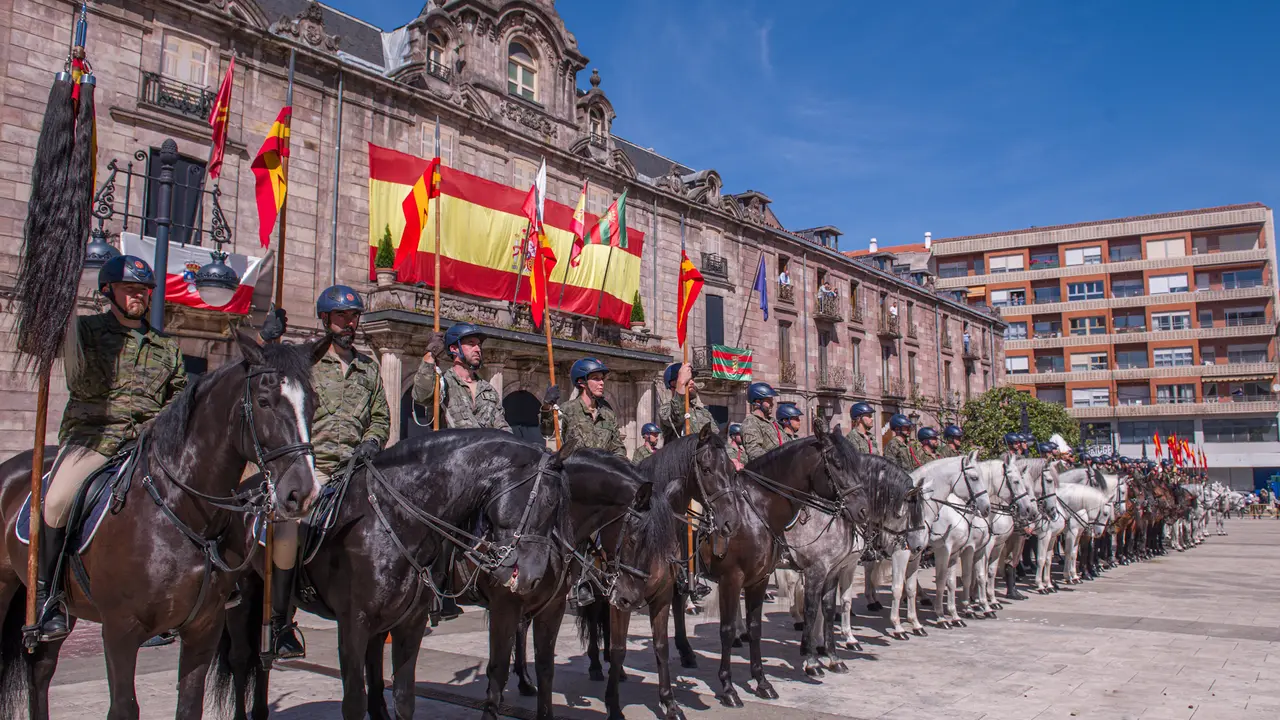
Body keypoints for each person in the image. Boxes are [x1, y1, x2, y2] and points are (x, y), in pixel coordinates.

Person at [34, 256, 187, 642]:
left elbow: (179, 399)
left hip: (148, 448)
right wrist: (51, 298)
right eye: (129, 289)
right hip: (94, 441)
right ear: (108, 291)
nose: (138, 296)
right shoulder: (84, 331)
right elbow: (35, 343)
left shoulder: (166, 347)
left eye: (144, 290)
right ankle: (48, 597)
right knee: (57, 502)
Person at [260, 285, 390, 658]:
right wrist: (269, 343)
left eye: (353, 317)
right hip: (313, 468)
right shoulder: (306, 361)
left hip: (358, 468)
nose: (349, 324)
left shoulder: (369, 367)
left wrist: (372, 441)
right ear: (325, 320)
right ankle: (281, 621)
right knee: (289, 527)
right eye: (341, 317)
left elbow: (380, 416)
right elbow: (272, 391)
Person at [411, 322, 510, 431]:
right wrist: (431, 353)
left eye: (479, 345)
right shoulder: (442, 383)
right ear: (454, 349)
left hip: (486, 442)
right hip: (452, 442)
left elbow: (502, 426)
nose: (477, 349)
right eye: (471, 344)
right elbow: (421, 396)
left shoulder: (488, 390)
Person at [542, 357, 626, 458]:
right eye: (596, 378)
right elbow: (548, 433)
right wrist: (547, 406)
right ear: (581, 382)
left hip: (602, 467)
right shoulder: (568, 409)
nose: (602, 383)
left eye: (602, 379)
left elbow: (618, 449)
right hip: (574, 467)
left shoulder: (608, 414)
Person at [659, 362, 714, 443]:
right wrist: (681, 384)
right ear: (673, 383)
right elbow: (677, 417)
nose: (692, 382)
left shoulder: (704, 413)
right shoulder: (666, 410)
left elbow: (715, 438)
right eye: (688, 379)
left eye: (692, 379)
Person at [740, 382, 783, 462]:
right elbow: (754, 451)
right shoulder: (751, 422)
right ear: (758, 402)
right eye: (769, 401)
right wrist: (776, 461)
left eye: (772, 400)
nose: (772, 404)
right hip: (769, 468)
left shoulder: (773, 422)